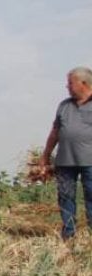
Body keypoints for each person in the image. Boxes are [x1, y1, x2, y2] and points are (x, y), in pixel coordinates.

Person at [39, 66, 92, 243]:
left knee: (91, 196)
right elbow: (55, 132)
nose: (67, 86)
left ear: (83, 83)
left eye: (70, 83)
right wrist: (45, 155)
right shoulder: (64, 105)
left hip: (89, 162)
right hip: (65, 161)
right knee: (65, 197)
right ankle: (69, 235)